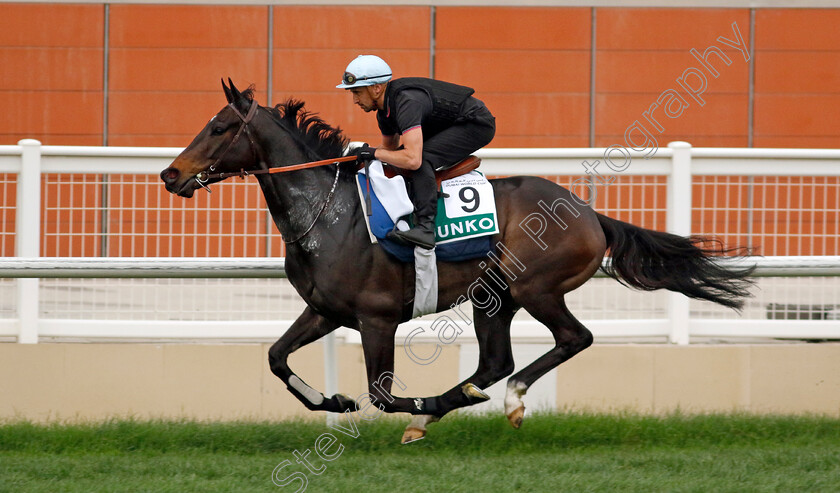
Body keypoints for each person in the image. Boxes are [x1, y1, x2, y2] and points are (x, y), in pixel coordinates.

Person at [337, 55, 496, 250]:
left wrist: (374, 153)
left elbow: (412, 159)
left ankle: (426, 229)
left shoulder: (406, 102)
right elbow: (389, 150)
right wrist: (360, 156)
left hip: (476, 124)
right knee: (400, 158)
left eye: (357, 92)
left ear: (376, 88)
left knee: (421, 159)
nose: (354, 100)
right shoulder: (383, 112)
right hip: (451, 123)